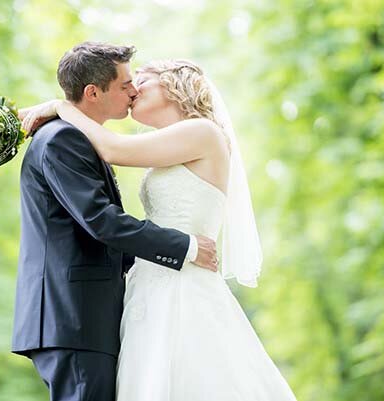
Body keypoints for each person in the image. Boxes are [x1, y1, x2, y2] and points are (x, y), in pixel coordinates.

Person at [22, 57, 299, 400]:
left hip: (183, 287)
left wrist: (61, 107)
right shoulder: (173, 141)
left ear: (173, 85)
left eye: (142, 79)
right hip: (149, 287)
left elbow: (113, 148)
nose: (134, 88)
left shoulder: (203, 131)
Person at [12, 42, 219, 401]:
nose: (133, 90)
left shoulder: (80, 138)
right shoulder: (63, 139)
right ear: (93, 92)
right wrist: (184, 247)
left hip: (101, 313)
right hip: (74, 317)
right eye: (126, 84)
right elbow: (102, 221)